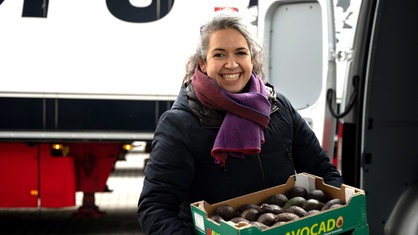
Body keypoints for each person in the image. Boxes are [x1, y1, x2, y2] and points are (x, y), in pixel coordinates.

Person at [137, 11, 343, 234]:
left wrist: (338, 217)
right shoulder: (179, 125)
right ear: (203, 63)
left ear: (251, 60)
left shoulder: (278, 108)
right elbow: (155, 208)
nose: (231, 63)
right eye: (219, 55)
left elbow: (324, 173)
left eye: (240, 53)